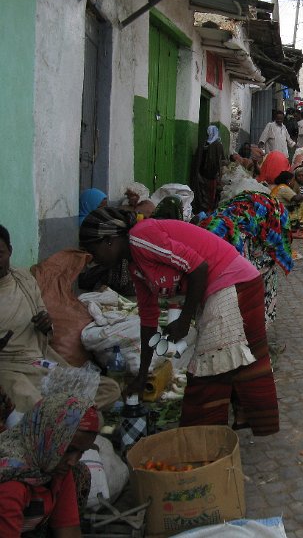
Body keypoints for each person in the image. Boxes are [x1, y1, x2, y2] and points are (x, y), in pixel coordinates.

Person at [79, 208, 279, 435]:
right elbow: (148, 321)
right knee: (235, 361)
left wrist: (184, 321)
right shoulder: (136, 267)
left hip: (234, 282)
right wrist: (142, 375)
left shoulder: (140, 237)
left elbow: (199, 268)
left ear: (109, 241)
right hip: (225, 286)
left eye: (92, 251)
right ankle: (233, 424)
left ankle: (199, 440)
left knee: (207, 370)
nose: (93, 259)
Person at [0, 224, 120, 412]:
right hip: (9, 369)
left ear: (10, 251)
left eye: (0, 254)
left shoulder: (23, 279)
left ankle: (65, 414)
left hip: (39, 362)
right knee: (33, 402)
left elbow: (43, 319)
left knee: (110, 389)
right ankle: (68, 415)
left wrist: (46, 324)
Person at [0, 391, 99, 536]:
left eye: (81, 452)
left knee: (80, 472)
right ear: (46, 437)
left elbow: (69, 531)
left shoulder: (54, 467)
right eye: (69, 450)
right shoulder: (10, 485)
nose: (72, 461)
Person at [200, 192, 293, 327]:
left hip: (252, 240)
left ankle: (254, 324)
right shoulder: (233, 231)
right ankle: (254, 324)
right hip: (247, 243)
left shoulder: (235, 226)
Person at [193, 126, 226, 213]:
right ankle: (208, 211)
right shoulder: (218, 145)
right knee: (211, 195)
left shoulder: (203, 145)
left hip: (202, 174)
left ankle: (202, 210)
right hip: (212, 175)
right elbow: (222, 161)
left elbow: (198, 160)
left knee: (202, 194)